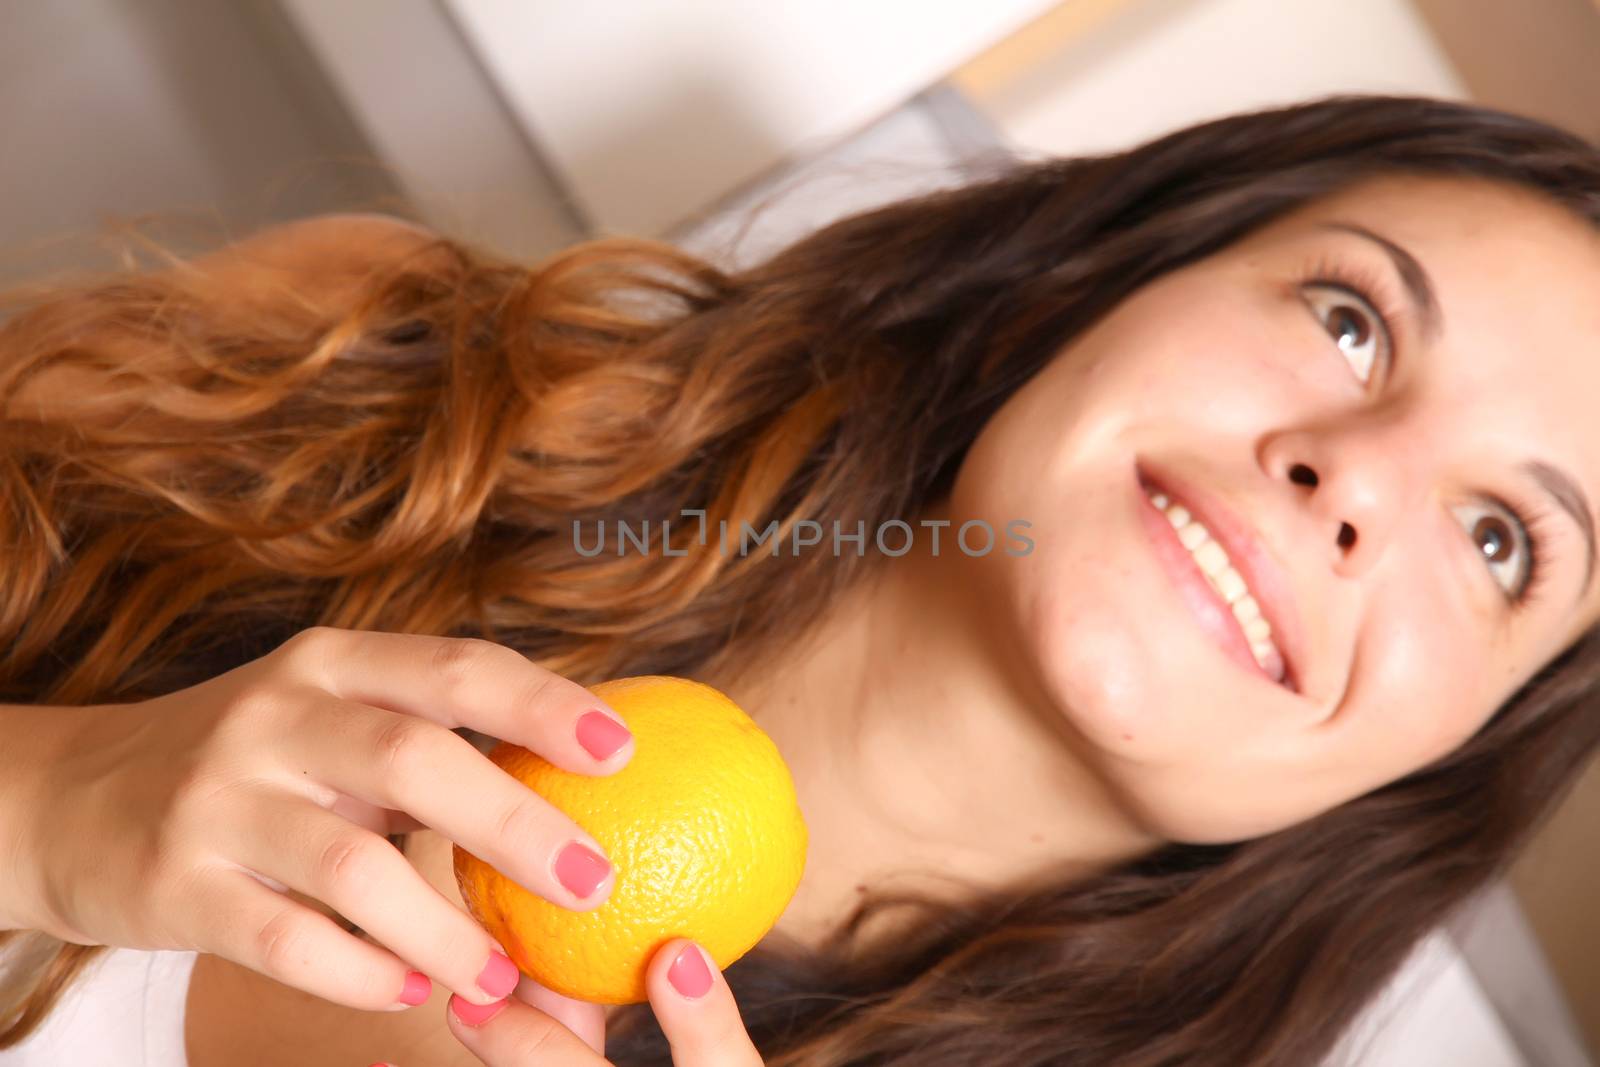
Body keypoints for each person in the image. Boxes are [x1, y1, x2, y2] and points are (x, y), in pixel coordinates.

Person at [1, 91, 1598, 1067]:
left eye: (1500, 541)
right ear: (1112, 273)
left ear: (1453, 753)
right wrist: (42, 806)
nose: (1360, 477)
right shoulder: (355, 369)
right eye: (1350, 320)